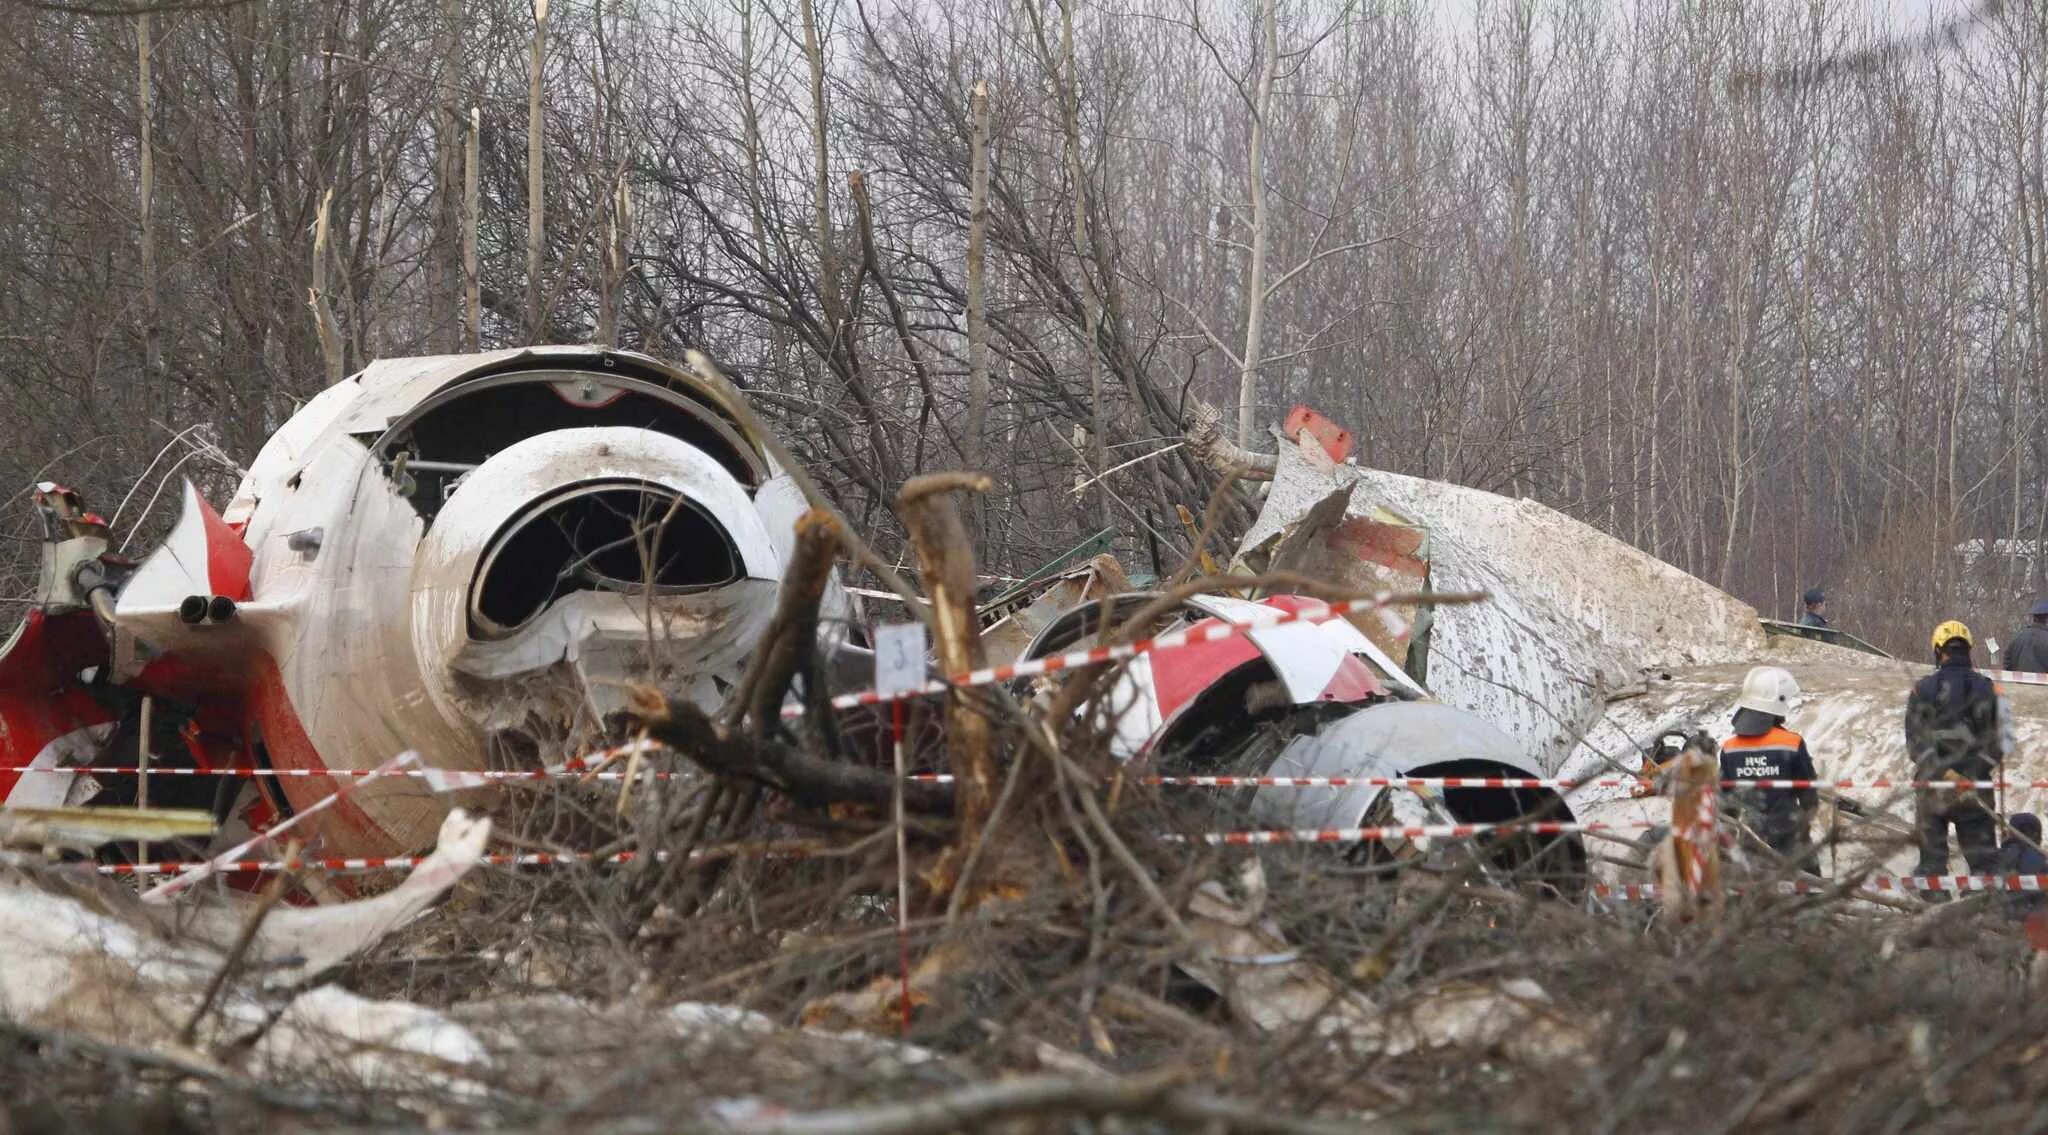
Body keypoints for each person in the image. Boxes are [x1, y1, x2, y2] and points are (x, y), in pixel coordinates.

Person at [1906, 620, 2014, 881]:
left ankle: (1934, 908)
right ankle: (1985, 912)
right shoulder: (1992, 689)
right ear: (1968, 650)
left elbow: (1916, 744)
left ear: (1938, 651)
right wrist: (1971, 774)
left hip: (1933, 787)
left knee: (1932, 868)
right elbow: (2002, 742)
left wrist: (1945, 772)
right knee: (1984, 866)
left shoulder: (1921, 689)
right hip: (1975, 788)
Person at [1719, 666, 1820, 869]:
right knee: (1808, 890)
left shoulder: (1729, 748)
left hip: (1751, 838)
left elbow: (1726, 805)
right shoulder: (1791, 743)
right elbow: (1809, 794)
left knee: (1755, 894)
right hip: (1791, 837)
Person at [1994, 813, 2048, 921]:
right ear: (2035, 833)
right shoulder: (2035, 857)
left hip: (2004, 913)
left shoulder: (2001, 853)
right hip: (2031, 916)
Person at [2006, 598, 2048, 673]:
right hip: (2043, 684)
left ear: (2034, 617)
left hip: (2018, 683)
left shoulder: (2017, 636)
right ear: (2046, 618)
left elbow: (2007, 664)